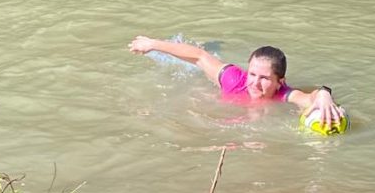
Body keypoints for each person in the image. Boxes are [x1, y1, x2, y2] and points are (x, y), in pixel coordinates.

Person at [128, 36, 344, 129]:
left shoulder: (283, 95)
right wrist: (153, 44)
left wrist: (324, 94)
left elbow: (310, 97)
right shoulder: (234, 79)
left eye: (264, 78)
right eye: (252, 74)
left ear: (280, 82)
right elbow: (199, 56)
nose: (255, 84)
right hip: (210, 83)